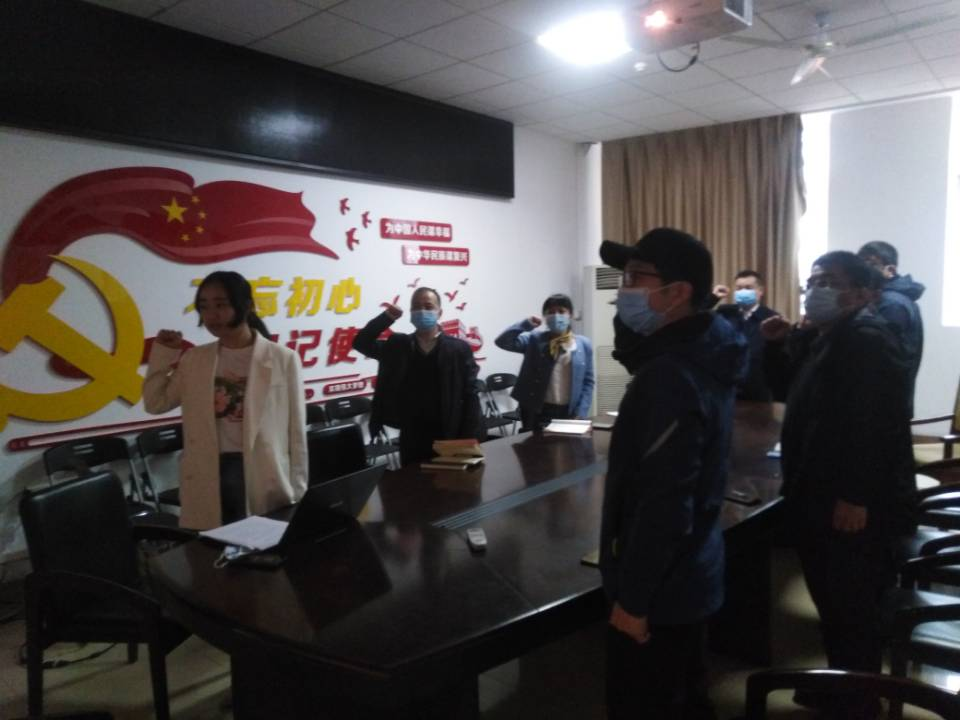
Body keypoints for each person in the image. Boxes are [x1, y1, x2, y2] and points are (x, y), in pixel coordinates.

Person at [598, 228, 748, 720]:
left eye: (635, 278)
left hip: (663, 589)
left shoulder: (669, 375)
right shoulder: (710, 345)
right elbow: (631, 348)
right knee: (685, 693)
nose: (623, 290)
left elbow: (665, 502)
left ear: (677, 292)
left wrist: (634, 600)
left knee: (649, 700)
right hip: (693, 569)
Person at [761, 251, 917, 719]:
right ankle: (839, 686)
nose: (816, 290)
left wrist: (855, 496)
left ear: (864, 293)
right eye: (812, 282)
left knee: (850, 604)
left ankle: (858, 701)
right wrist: (778, 345)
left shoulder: (866, 340)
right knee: (831, 600)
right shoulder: (832, 335)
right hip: (820, 490)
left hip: (848, 501)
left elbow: (873, 425)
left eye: (829, 282)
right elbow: (794, 393)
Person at [144, 270, 308, 530]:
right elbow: (155, 403)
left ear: (247, 305)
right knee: (212, 545)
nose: (211, 315)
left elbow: (296, 432)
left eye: (220, 305)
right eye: (204, 307)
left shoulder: (282, 358)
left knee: (262, 544)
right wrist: (164, 355)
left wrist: (298, 488)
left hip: (262, 469)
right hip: (210, 470)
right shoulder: (195, 359)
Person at [353, 287, 481, 466]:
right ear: (411, 312)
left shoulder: (458, 349)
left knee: (452, 482)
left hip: (449, 432)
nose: (422, 311)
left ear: (439, 312)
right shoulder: (399, 346)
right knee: (413, 481)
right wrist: (387, 317)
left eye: (428, 306)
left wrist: (468, 437)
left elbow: (470, 394)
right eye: (416, 307)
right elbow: (361, 342)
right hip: (411, 433)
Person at [494, 293, 595, 431]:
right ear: (545, 317)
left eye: (561, 311)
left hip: (570, 411)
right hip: (538, 411)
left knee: (569, 445)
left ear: (570, 315)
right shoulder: (535, 339)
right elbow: (503, 342)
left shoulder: (583, 344)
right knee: (535, 444)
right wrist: (525, 325)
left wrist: (582, 411)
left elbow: (588, 382)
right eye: (551, 312)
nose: (556, 316)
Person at [857, 241, 924, 415]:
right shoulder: (887, 299)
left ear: (891, 270)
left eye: (870, 264)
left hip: (881, 406)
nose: (863, 270)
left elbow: (877, 354)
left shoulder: (892, 303)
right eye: (860, 264)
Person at [713, 270, 781, 401]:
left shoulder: (771, 318)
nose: (743, 292)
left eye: (748, 288)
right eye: (739, 288)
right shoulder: (724, 313)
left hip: (758, 392)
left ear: (760, 291)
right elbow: (697, 321)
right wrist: (713, 298)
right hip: (724, 390)